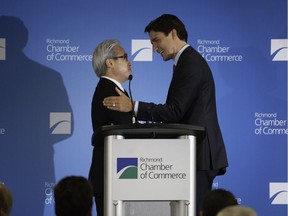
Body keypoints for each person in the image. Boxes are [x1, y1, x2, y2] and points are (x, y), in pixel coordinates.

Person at [103, 14, 228, 215]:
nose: (154, 48)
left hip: (200, 152)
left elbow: (174, 111)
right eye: (152, 43)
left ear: (173, 33)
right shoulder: (185, 62)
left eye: (157, 41)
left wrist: (133, 106)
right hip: (191, 152)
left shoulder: (191, 62)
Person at [88, 39, 133, 216]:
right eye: (124, 57)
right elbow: (127, 131)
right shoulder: (110, 91)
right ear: (110, 62)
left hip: (116, 177)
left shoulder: (114, 89)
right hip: (112, 178)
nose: (129, 62)